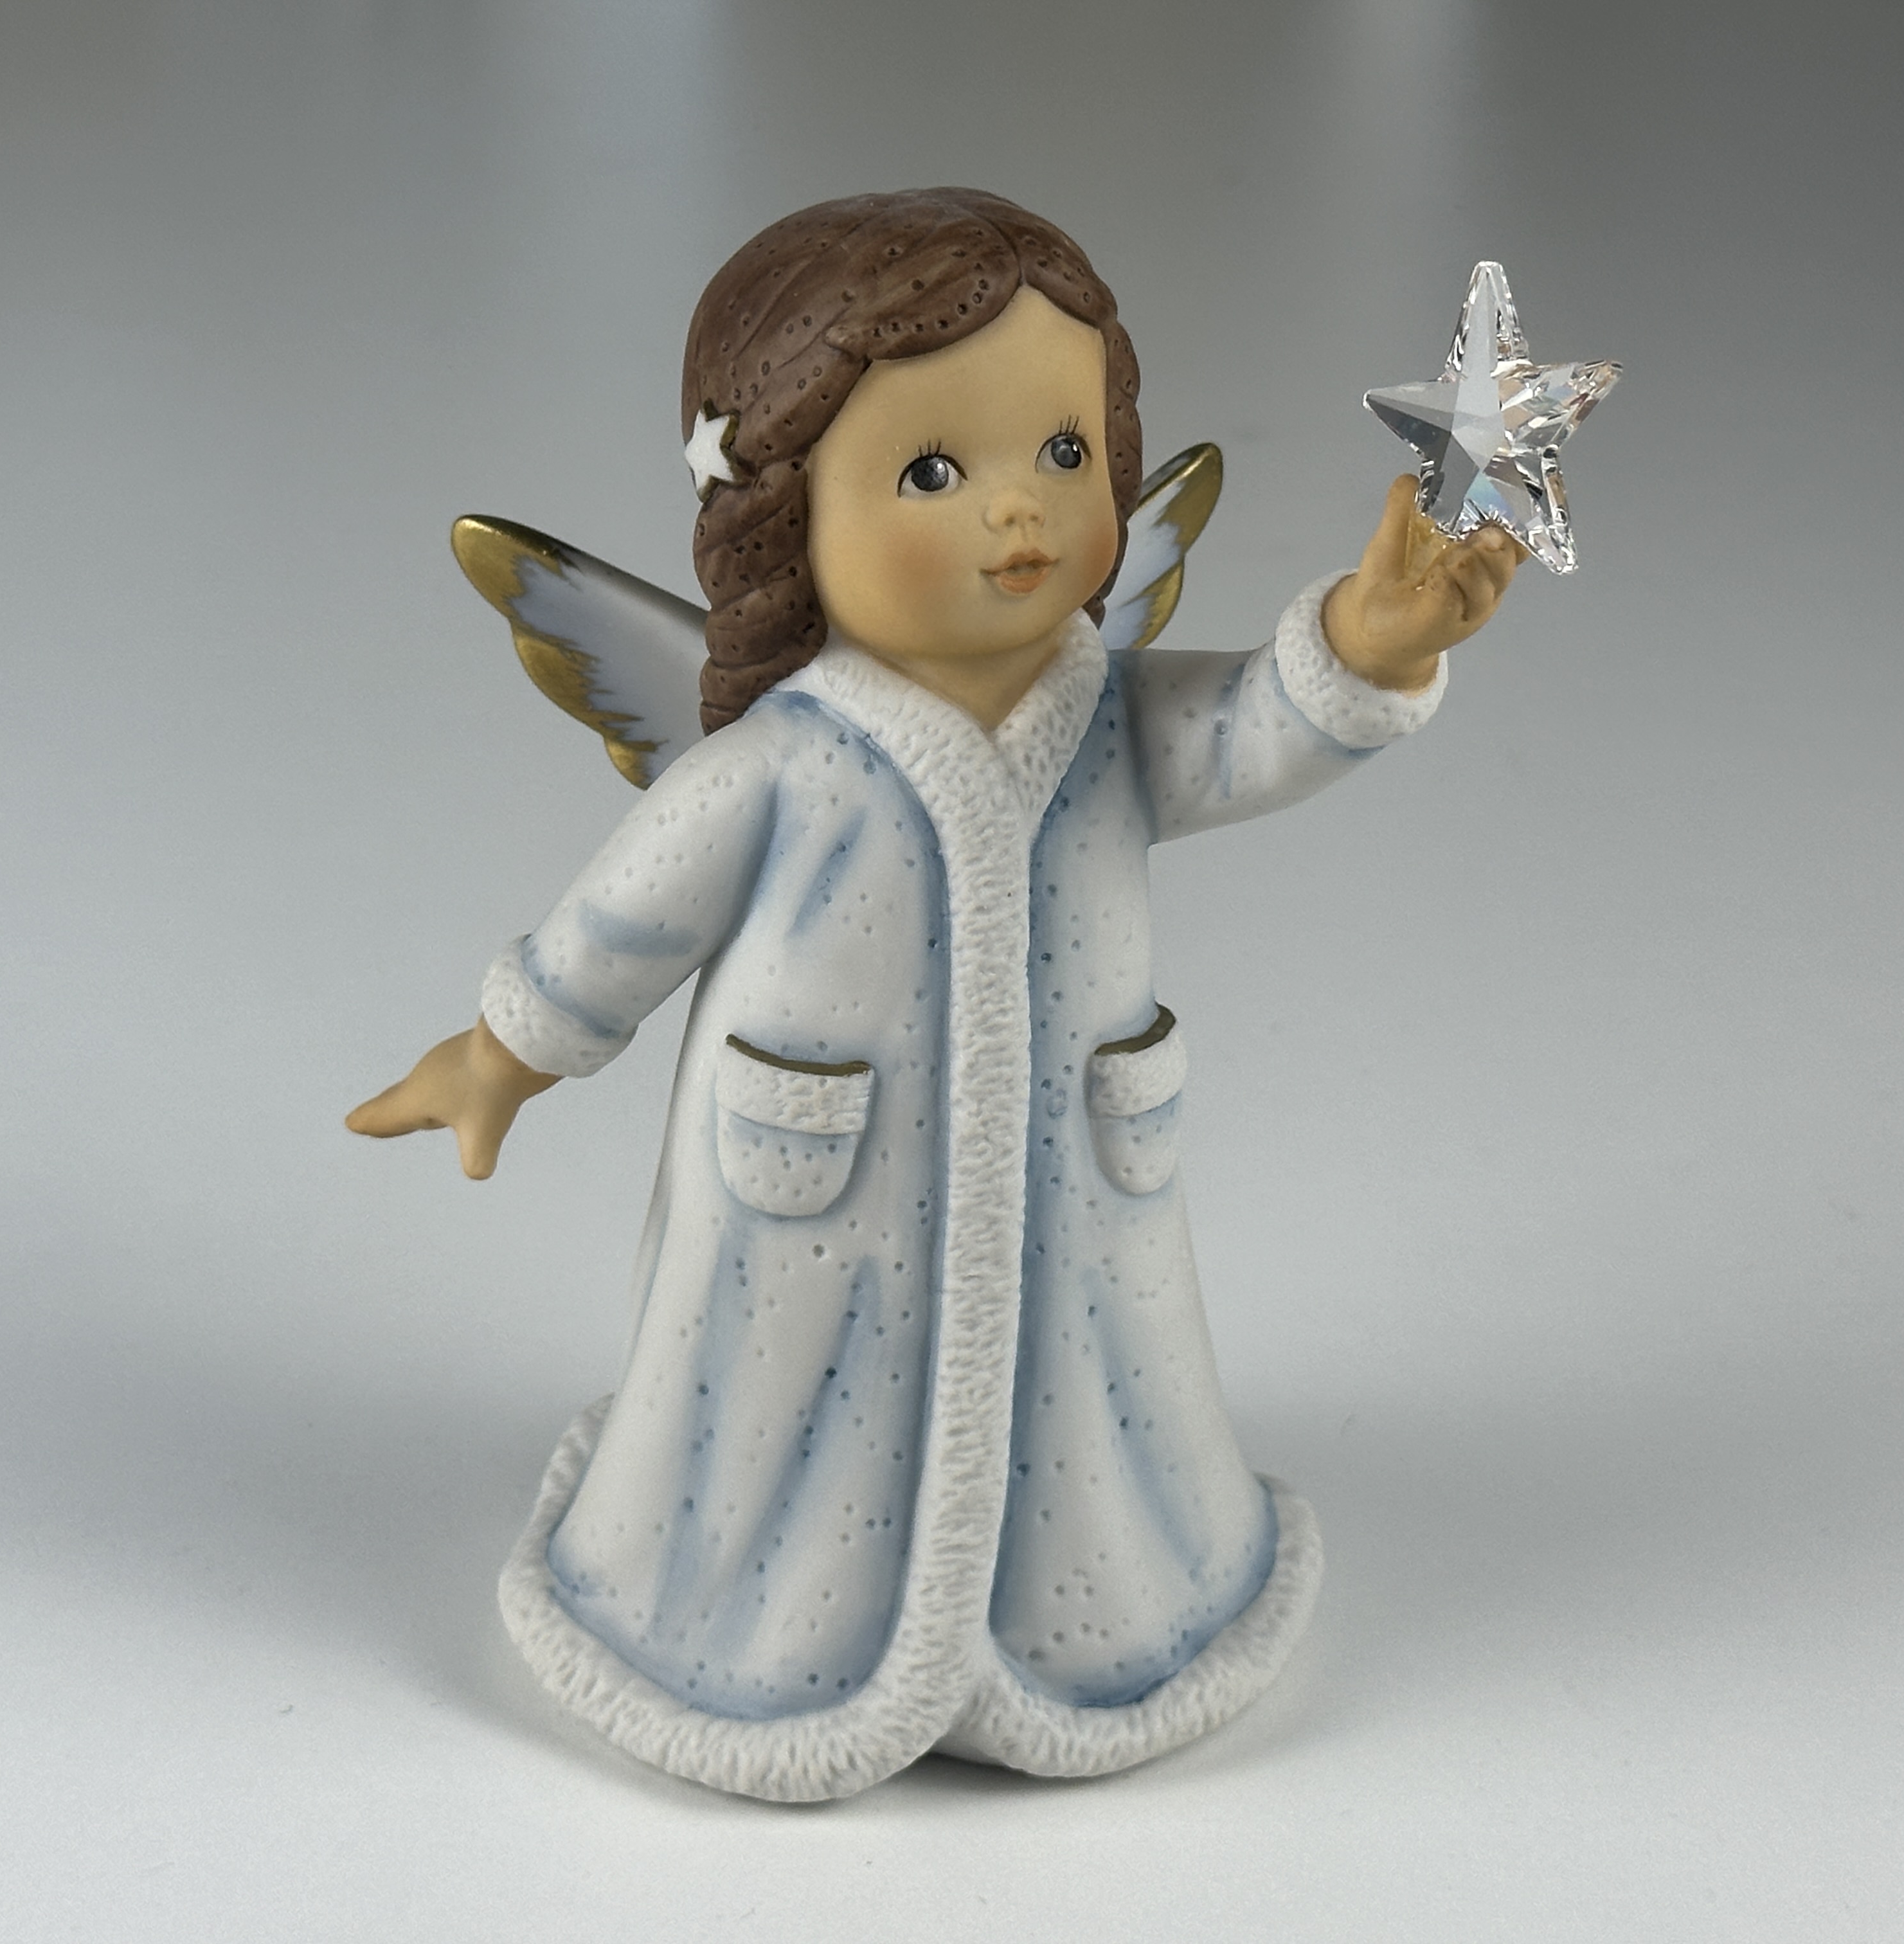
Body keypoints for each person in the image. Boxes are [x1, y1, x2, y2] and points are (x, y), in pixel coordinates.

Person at [350, 188, 1522, 1801]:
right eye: (927, 473)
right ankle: (750, 1621)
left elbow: (1255, 728)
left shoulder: (1111, 727)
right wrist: (502, 1055)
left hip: (1084, 1202)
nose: (1016, 508)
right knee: (777, 1430)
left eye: (1064, 451)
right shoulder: (780, 766)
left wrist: (1367, 648)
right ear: (785, 518)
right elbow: (623, 920)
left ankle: (1108, 1604)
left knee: (1093, 1411)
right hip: (805, 1219)